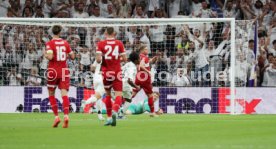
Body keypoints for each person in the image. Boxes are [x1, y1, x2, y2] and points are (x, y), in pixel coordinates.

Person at [44, 25, 75, 128]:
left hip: (53, 71)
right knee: (64, 94)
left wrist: (45, 54)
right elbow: (73, 56)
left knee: (51, 94)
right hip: (64, 70)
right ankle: (66, 116)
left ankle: (57, 117)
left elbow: (50, 57)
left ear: (52, 32)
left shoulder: (50, 43)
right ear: (60, 32)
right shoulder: (65, 43)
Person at [96, 27, 127, 126]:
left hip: (106, 72)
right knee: (118, 94)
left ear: (105, 33)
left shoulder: (101, 44)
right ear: (114, 33)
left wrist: (104, 59)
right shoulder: (119, 43)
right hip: (117, 72)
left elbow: (98, 60)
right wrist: (117, 60)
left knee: (108, 95)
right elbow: (125, 58)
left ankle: (109, 117)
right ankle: (115, 110)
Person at [132, 45, 158, 117]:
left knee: (132, 94)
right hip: (145, 78)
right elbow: (141, 66)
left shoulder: (139, 57)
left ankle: (119, 106)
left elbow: (148, 62)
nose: (147, 50)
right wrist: (148, 71)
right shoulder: (144, 57)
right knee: (150, 95)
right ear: (142, 50)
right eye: (146, 49)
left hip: (138, 77)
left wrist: (154, 59)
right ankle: (152, 113)